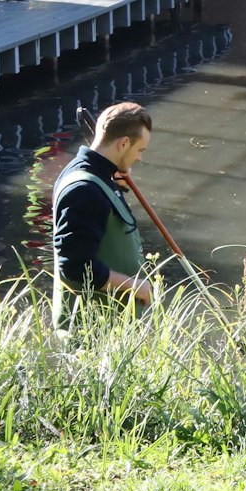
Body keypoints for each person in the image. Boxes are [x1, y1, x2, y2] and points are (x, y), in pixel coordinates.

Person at [51, 102, 156, 324]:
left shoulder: (89, 174)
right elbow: (75, 265)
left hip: (111, 325)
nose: (139, 158)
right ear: (124, 143)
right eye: (139, 150)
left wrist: (113, 185)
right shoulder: (85, 190)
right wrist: (133, 285)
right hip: (92, 332)